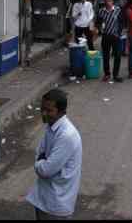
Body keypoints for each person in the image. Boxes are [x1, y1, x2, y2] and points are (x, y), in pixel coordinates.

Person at [26, 89, 83, 220]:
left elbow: (45, 170)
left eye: (49, 110)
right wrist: (42, 160)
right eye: (42, 109)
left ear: (62, 112)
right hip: (44, 199)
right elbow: (39, 153)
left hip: (56, 204)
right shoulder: (51, 127)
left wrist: (40, 162)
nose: (44, 114)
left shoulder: (67, 135)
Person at [96, 0, 123, 83]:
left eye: (110, 1)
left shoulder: (118, 10)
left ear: (112, 2)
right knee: (106, 56)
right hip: (106, 36)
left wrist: (119, 33)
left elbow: (122, 22)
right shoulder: (101, 11)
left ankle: (116, 74)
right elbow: (98, 23)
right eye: (107, 1)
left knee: (117, 55)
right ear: (105, 2)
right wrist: (99, 29)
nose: (108, 3)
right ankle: (107, 74)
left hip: (116, 36)